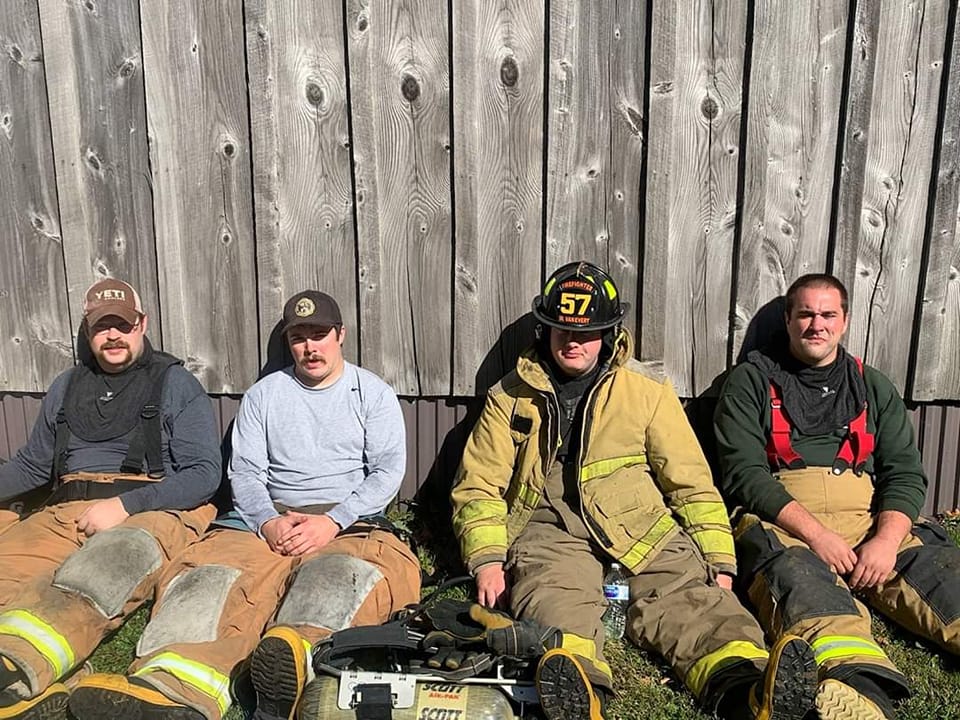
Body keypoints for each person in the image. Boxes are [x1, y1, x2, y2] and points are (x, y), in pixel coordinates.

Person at [451, 261, 819, 720]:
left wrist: (719, 561)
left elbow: (690, 481)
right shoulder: (509, 396)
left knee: (694, 602)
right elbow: (478, 485)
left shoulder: (647, 390)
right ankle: (581, 698)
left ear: (609, 333)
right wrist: (487, 560)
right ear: (545, 330)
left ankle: (749, 691)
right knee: (555, 604)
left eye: (587, 332)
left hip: (642, 525)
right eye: (563, 330)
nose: (573, 341)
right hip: (549, 530)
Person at [68, 289, 421, 720]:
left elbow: (386, 472)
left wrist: (332, 522)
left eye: (319, 335)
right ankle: (172, 685)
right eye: (299, 338)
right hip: (264, 518)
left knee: (336, 579)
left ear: (340, 335)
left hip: (346, 522)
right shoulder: (263, 396)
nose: (310, 347)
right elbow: (246, 472)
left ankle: (301, 674)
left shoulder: (372, 393)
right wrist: (267, 521)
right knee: (208, 579)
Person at [713, 272, 960, 719]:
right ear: (788, 320)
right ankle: (861, 692)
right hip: (785, 524)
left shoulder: (872, 385)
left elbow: (904, 473)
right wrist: (818, 536)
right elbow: (744, 475)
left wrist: (885, 542)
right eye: (805, 314)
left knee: (944, 580)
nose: (817, 325)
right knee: (803, 586)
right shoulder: (749, 382)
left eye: (828, 315)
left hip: (867, 518)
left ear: (844, 321)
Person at [0, 278, 221, 719]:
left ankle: (17, 670)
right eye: (102, 326)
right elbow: (31, 466)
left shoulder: (176, 383)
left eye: (123, 324)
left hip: (149, 508)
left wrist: (123, 507)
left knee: (98, 574)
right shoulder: (66, 386)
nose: (113, 336)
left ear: (142, 324)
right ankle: (46, 679)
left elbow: (204, 474)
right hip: (66, 509)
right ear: (88, 331)